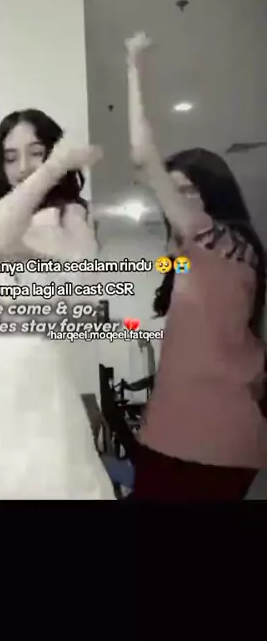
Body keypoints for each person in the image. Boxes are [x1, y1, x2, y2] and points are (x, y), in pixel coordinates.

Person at [125, 32, 267, 500]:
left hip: (196, 441)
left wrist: (133, 63)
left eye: (188, 191)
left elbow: (142, 157)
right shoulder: (235, 252)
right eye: (176, 192)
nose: (178, 203)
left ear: (212, 193)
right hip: (220, 437)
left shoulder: (210, 235)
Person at [0, 109, 116, 500]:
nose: (23, 167)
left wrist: (54, 168)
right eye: (10, 157)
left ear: (54, 155)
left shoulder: (69, 215)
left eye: (36, 153)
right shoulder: (6, 219)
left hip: (40, 402)